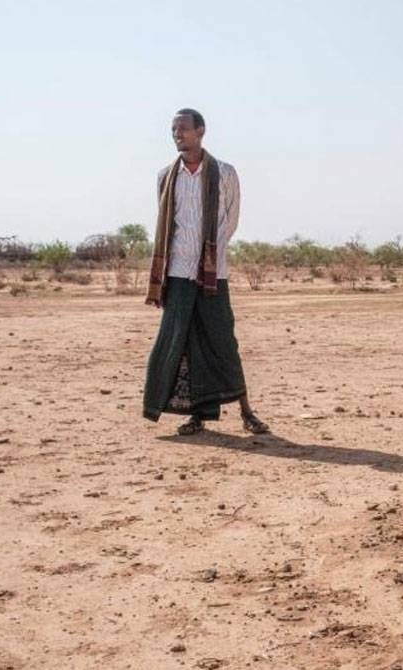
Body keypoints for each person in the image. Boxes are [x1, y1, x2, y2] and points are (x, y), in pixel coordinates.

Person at [142, 108, 268, 435]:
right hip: (177, 275)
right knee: (179, 343)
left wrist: (207, 261)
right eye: (172, 130)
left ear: (200, 131)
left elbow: (230, 220)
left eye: (182, 129)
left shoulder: (225, 173)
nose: (176, 135)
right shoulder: (164, 177)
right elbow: (167, 224)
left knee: (223, 341)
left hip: (213, 276)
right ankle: (197, 416)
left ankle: (246, 412)